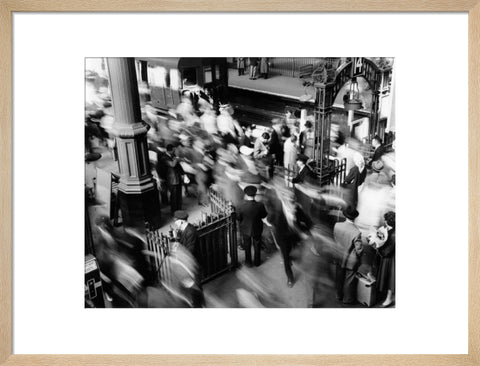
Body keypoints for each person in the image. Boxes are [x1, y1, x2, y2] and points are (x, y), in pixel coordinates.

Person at [333, 206, 363, 305]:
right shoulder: (356, 232)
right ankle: (348, 299)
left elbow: (335, 239)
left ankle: (338, 295)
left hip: (339, 256)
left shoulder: (337, 225)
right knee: (349, 280)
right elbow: (359, 250)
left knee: (339, 277)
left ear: (345, 215)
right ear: (355, 218)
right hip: (350, 260)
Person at [237, 185, 268, 267]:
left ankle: (248, 262)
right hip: (257, 228)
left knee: (247, 246)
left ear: (246, 195)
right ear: (255, 195)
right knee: (257, 245)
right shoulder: (260, 205)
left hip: (246, 229)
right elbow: (264, 216)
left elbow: (238, 218)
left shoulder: (241, 206)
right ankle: (257, 262)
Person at [376, 211, 396, 307]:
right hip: (388, 256)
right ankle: (385, 295)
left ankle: (389, 299)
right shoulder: (389, 229)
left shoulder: (394, 234)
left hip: (390, 258)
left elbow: (388, 250)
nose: (384, 221)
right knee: (387, 276)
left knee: (390, 278)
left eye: (385, 219)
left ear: (387, 221)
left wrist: (378, 248)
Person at [161, 144, 184, 214]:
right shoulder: (164, 158)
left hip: (178, 178)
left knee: (179, 195)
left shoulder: (173, 156)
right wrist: (177, 158)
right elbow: (172, 165)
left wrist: (183, 174)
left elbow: (179, 166)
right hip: (172, 180)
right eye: (174, 150)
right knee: (174, 196)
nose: (175, 151)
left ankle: (179, 209)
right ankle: (174, 211)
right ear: (170, 150)